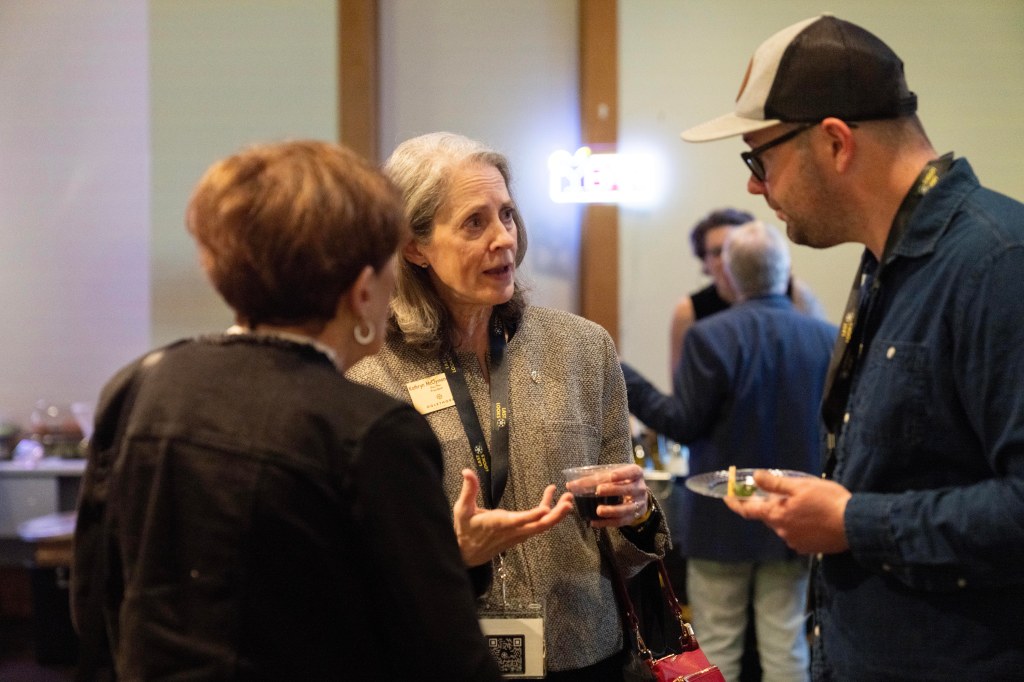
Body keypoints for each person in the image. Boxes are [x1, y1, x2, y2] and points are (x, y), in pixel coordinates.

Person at [71, 140, 502, 680]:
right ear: (361, 291)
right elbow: (444, 654)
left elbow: (93, 600)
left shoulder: (138, 384)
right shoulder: (371, 432)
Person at [681, 14, 1024, 680]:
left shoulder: (996, 262)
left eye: (759, 159)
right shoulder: (887, 262)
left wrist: (850, 521)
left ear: (836, 142)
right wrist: (837, 503)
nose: (754, 186)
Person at [347, 131, 670, 679]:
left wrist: (637, 515)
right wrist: (452, 553)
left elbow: (623, 546)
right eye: (474, 223)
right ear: (414, 246)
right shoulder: (371, 376)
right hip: (447, 660)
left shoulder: (582, 348)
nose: (503, 238)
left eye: (507, 214)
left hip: (587, 655)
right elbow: (358, 565)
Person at [622, 220, 836, 682]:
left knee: (719, 646)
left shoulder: (710, 336)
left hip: (722, 517)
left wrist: (623, 375)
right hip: (794, 515)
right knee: (787, 648)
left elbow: (682, 423)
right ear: (785, 272)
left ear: (730, 275)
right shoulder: (825, 337)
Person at [669, 207, 825, 372]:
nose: (727, 259)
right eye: (717, 252)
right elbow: (682, 379)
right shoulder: (688, 310)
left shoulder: (796, 293)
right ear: (705, 262)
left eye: (733, 248)